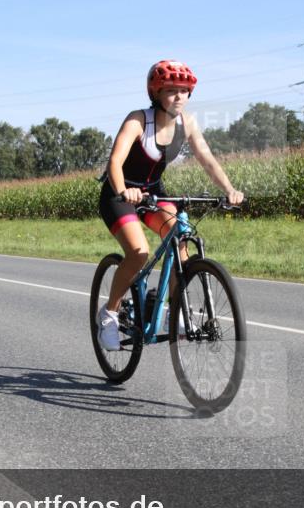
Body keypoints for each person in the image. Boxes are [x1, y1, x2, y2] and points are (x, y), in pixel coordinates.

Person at [97, 59, 244, 351]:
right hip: (120, 194)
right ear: (157, 94)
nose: (179, 97)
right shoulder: (139, 119)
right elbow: (115, 161)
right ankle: (109, 315)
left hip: (153, 193)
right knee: (139, 253)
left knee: (180, 240)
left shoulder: (186, 123)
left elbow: (207, 159)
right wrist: (124, 190)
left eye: (184, 91)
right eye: (171, 91)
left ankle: (173, 312)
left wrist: (229, 189)